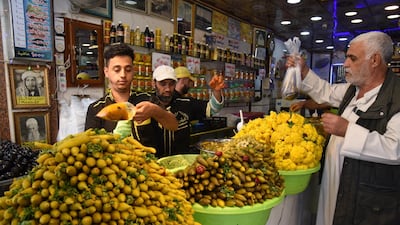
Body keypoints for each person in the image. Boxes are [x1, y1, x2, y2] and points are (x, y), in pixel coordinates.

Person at [286, 31, 400, 225]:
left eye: (352, 58)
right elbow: (326, 92)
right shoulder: (353, 90)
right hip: (335, 186)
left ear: (374, 60)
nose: (345, 64)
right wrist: (303, 70)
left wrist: (348, 131)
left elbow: (395, 148)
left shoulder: (395, 97)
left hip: (366, 199)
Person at [85, 43, 178, 137]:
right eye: (117, 70)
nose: (123, 75)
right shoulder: (97, 108)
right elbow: (90, 143)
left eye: (128, 70)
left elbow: (174, 125)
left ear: (133, 71)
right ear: (106, 72)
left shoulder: (148, 99)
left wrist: (155, 111)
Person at [129, 65, 224, 157]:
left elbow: (212, 109)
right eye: (163, 84)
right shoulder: (142, 100)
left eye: (171, 84)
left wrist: (216, 91)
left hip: (180, 163)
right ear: (154, 83)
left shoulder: (185, 103)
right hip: (151, 165)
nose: (167, 89)